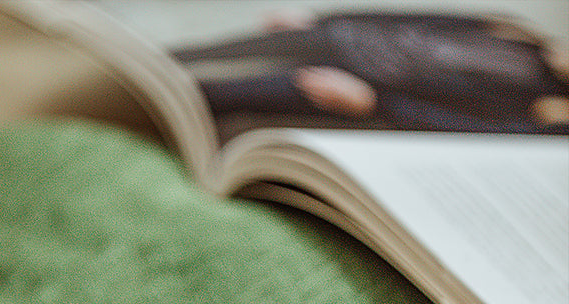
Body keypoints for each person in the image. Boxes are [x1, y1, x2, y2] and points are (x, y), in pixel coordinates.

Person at [172, 10, 569, 134]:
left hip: (357, 86)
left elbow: (462, 128)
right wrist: (322, 17)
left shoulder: (545, 110)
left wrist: (374, 103)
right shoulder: (518, 36)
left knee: (218, 95)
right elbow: (403, 18)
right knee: (194, 55)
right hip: (343, 38)